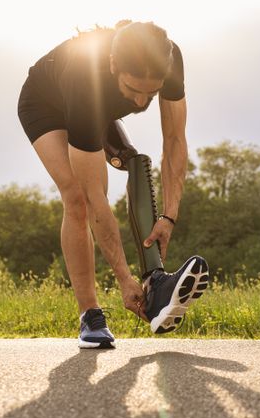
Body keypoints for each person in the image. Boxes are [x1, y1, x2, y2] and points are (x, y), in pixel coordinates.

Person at [17, 20, 209, 349]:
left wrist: (169, 216)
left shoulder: (170, 58)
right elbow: (96, 201)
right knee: (77, 198)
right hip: (45, 103)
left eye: (150, 93)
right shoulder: (84, 79)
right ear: (112, 65)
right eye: (133, 90)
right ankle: (90, 315)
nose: (139, 102)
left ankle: (156, 281)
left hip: (98, 108)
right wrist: (123, 278)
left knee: (137, 164)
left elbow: (175, 140)